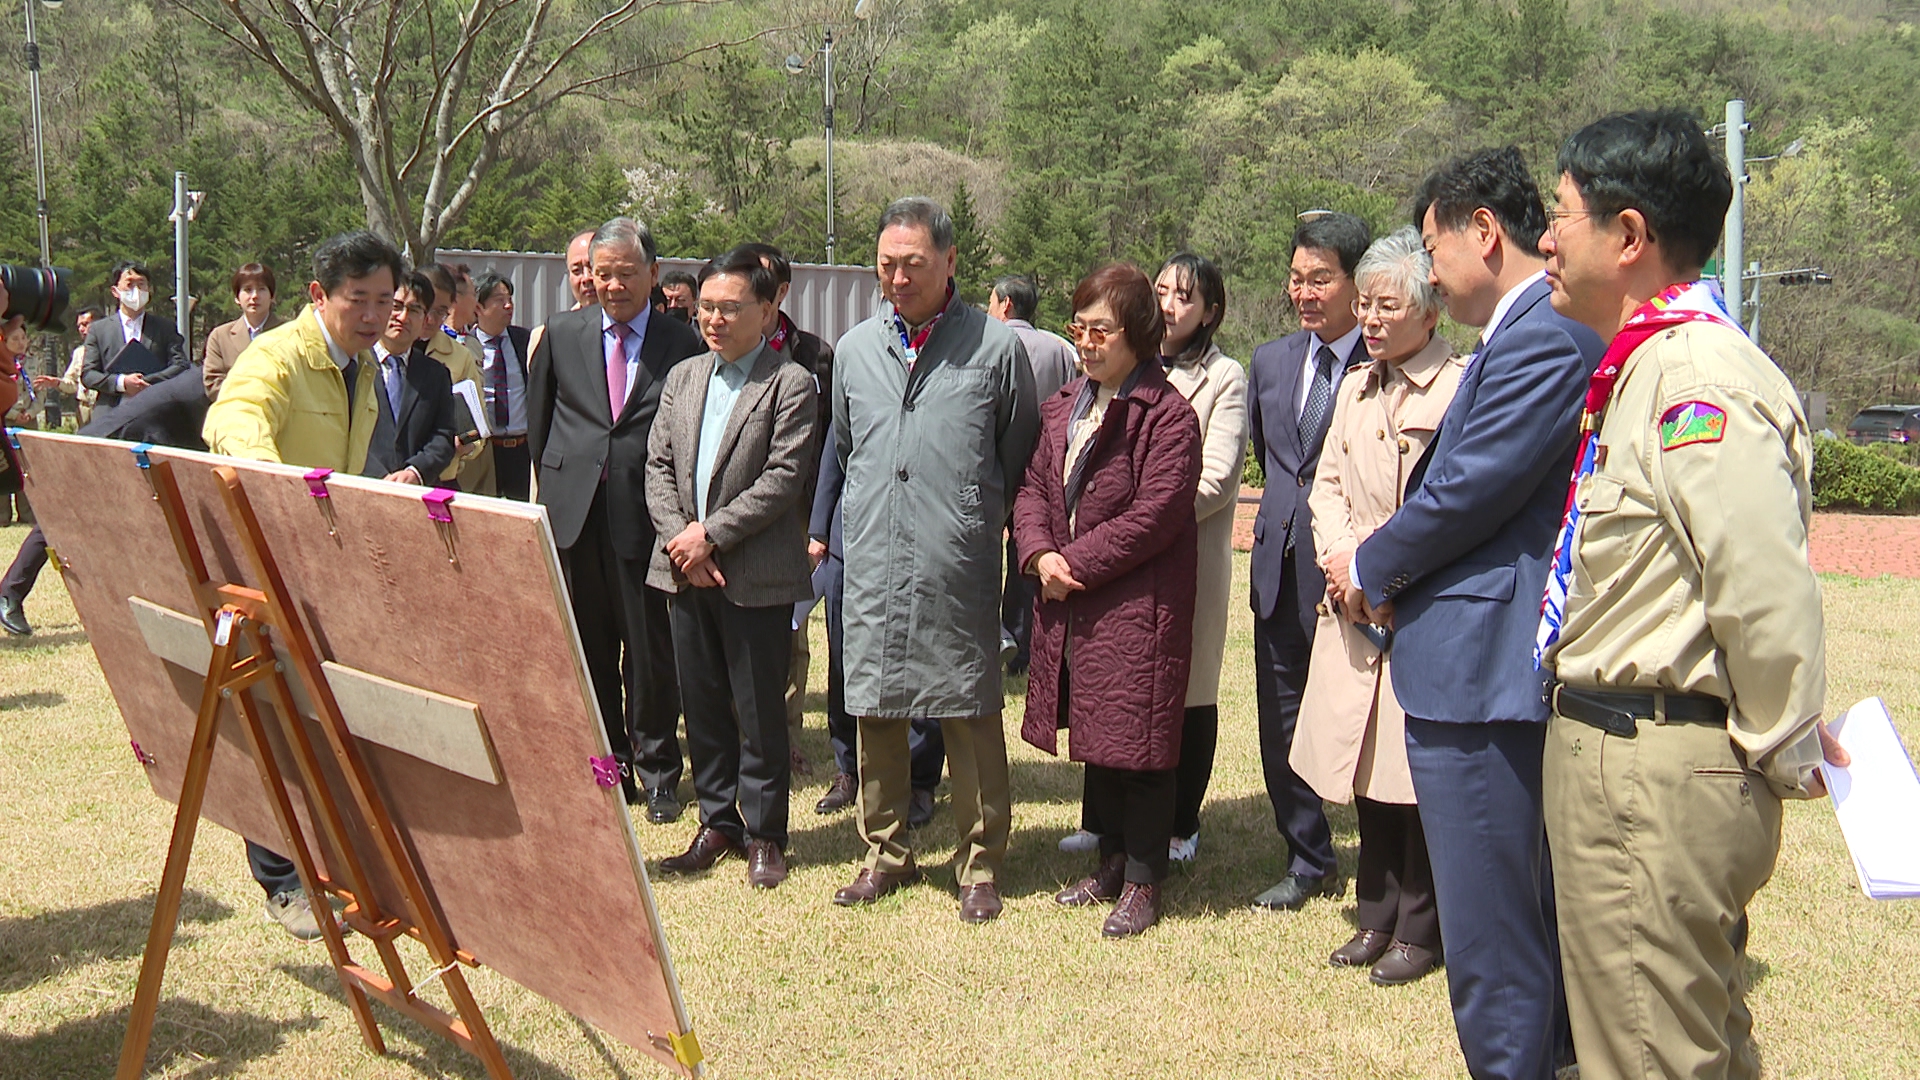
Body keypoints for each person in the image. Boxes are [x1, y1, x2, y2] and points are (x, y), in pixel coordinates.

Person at [1537, 110, 1847, 1080]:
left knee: (1650, 1058)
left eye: (1560, 216)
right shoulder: (1649, 365)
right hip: (1637, 759)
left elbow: (1759, 587)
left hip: (1653, 768)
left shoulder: (1693, 375)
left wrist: (1785, 742)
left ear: (1628, 238)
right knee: (1685, 1045)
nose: (1542, 240)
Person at [1334, 147, 1604, 1080]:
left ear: (1483, 231)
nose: (1430, 273)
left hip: (1484, 679)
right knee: (1520, 931)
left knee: (1495, 943)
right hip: (1475, 666)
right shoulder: (1531, 330)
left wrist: (1370, 562)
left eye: (1432, 245)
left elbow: (1465, 491)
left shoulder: (1543, 336)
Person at [829, 196, 1039, 922]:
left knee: (969, 708)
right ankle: (884, 851)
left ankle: (980, 862)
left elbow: (1017, 455)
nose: (897, 277)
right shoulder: (854, 351)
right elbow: (849, 446)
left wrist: (974, 519)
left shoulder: (996, 348)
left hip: (957, 557)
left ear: (950, 262)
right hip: (877, 558)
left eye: (912, 264)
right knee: (877, 706)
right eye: (885, 263)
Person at [203, 230, 401, 942]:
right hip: (266, 568)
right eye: (360, 301)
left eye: (385, 301)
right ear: (319, 296)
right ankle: (283, 885)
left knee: (322, 726)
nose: (375, 315)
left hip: (324, 572)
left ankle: (332, 867)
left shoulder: (364, 366)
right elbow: (231, 418)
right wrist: (279, 493)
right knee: (275, 730)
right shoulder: (278, 354)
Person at [1292, 226, 1464, 986]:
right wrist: (1340, 563)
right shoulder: (1356, 387)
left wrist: (1382, 577)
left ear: (1430, 313)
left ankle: (1421, 929)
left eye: (1387, 305)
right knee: (1363, 771)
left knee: (1413, 779)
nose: (1371, 318)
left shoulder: (1461, 387)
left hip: (1413, 610)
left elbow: (1451, 507)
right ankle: (1375, 914)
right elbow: (1325, 484)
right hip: (1353, 606)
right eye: (1363, 304)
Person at [1013, 263, 1201, 937]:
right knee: (1099, 736)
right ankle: (1111, 862)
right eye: (1079, 328)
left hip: (1137, 602)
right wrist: (1038, 555)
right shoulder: (1067, 402)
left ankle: (1146, 880)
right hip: (1074, 597)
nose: (1087, 343)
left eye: (1101, 330)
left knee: (1140, 741)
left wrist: (1074, 561)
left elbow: (1156, 514)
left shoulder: (1168, 415)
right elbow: (1035, 486)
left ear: (1140, 335)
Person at [645, 247, 818, 890]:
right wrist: (680, 544)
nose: (713, 321)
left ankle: (767, 832)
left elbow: (782, 480)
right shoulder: (685, 376)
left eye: (729, 309)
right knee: (705, 704)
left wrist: (709, 536)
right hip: (684, 572)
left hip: (754, 574)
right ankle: (718, 820)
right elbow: (656, 468)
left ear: (768, 311)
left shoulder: (790, 383)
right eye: (707, 309)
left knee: (758, 709)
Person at [527, 216, 705, 817]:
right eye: (601, 275)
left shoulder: (681, 343)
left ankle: (658, 771)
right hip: (576, 517)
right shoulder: (561, 333)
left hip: (648, 516)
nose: (611, 286)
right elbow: (540, 425)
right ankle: (609, 766)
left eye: (626, 275)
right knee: (591, 649)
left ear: (652, 275)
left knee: (651, 650)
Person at [1244, 213, 1370, 912]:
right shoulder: (1272, 360)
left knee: (1366, 715)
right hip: (1277, 563)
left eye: (1321, 278)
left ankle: (1384, 853)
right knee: (1281, 716)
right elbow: (1276, 458)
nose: (1305, 292)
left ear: (1357, 282)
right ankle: (1306, 854)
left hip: (1351, 570)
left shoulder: (1382, 359)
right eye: (1297, 278)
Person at [1155, 252, 1248, 865]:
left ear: (1210, 311)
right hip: (1127, 562)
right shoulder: (1127, 362)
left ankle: (1183, 821)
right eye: (1161, 289)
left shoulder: (1224, 378)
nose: (1167, 304)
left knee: (1190, 691)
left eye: (1183, 296)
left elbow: (1217, 480)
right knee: (1127, 685)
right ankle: (1108, 814)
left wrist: (1140, 517)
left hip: (1189, 555)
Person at [807, 423, 946, 817]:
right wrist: (819, 527)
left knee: (921, 660)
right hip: (850, 537)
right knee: (844, 660)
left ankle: (919, 780)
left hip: (922, 536)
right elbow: (837, 441)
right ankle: (848, 768)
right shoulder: (859, 360)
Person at [739, 243, 837, 777]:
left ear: (782, 293)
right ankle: (740, 733)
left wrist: (817, 524)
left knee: (791, 630)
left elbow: (830, 443)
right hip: (731, 508)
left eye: (768, 286)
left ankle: (788, 732)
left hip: (795, 511)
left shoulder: (815, 355)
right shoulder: (722, 350)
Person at [987, 273, 1079, 675]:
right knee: (1029, 558)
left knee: (985, 555)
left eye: (991, 302)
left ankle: (992, 638)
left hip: (995, 468)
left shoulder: (991, 345)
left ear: (1005, 305)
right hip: (1043, 471)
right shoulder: (1060, 350)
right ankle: (1024, 649)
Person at [362, 270, 458, 485]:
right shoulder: (354, 365)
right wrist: (377, 476)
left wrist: (416, 471)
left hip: (415, 493)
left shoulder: (436, 374)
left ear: (425, 319)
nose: (403, 317)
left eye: (414, 309)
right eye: (396, 306)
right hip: (362, 486)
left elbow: (443, 436)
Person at [79, 261, 191, 427]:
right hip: (111, 416)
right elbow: (88, 375)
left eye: (141, 284)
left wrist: (145, 383)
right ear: (115, 291)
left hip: (156, 414)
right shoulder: (99, 330)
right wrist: (122, 383)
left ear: (149, 290)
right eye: (129, 284)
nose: (136, 291)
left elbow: (180, 365)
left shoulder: (165, 327)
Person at [420, 262, 492, 494]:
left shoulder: (460, 355)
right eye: (424, 309)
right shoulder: (382, 350)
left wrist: (465, 446)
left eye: (440, 311)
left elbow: (476, 424)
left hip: (443, 477)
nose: (430, 319)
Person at [471, 270, 532, 500]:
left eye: (510, 299)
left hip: (522, 451)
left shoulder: (524, 341)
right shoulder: (466, 346)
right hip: (485, 453)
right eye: (499, 300)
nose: (509, 306)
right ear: (478, 307)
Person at [203, 263, 285, 398]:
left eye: (261, 289)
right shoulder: (220, 336)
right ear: (237, 297)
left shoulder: (289, 332)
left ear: (272, 296)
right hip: (235, 413)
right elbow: (212, 384)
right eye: (247, 289)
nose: (254, 296)